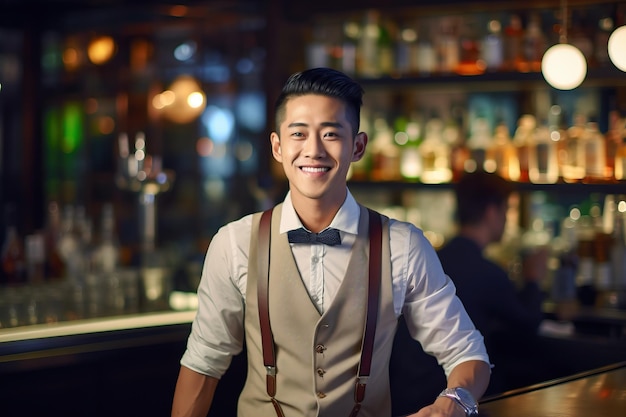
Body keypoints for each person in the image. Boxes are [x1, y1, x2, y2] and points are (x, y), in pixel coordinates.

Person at [171, 67, 491, 417]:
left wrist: (452, 404)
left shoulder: (403, 246)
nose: (313, 150)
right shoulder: (234, 244)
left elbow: (467, 354)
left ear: (358, 146)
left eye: (330, 134)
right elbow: (203, 365)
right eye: (298, 133)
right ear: (277, 146)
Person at [390, 170, 549, 415]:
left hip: (405, 398)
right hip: (447, 401)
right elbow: (528, 323)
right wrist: (533, 279)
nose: (507, 220)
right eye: (507, 211)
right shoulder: (486, 271)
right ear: (492, 212)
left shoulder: (432, 260)